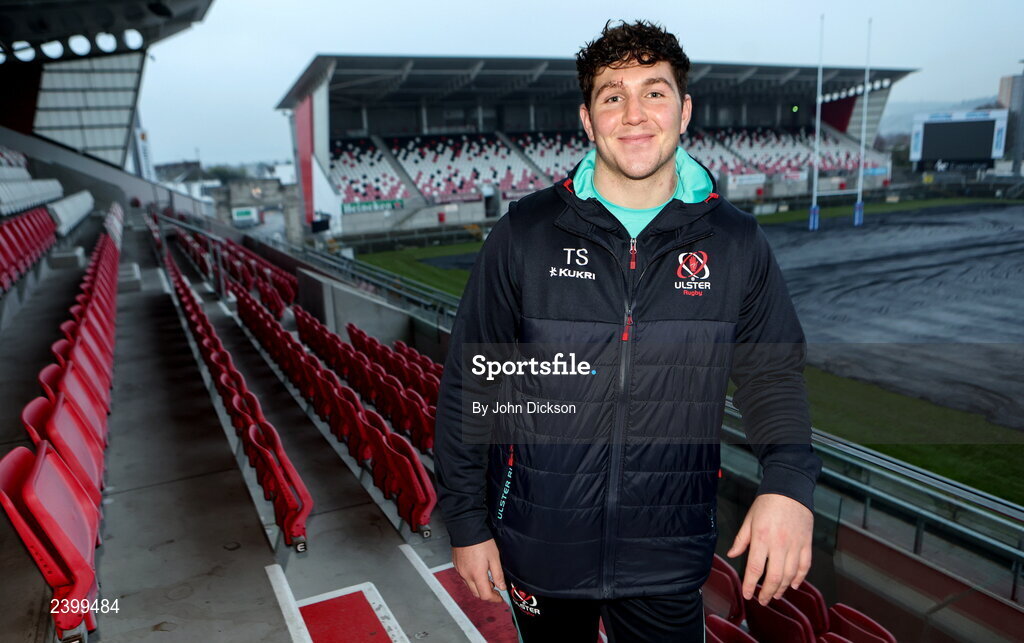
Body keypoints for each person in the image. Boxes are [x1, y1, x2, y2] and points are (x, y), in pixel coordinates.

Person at [433, 19, 822, 642]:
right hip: (541, 546)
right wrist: (468, 523)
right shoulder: (524, 234)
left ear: (684, 109)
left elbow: (771, 377)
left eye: (654, 92)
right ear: (588, 119)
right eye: (613, 95)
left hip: (668, 555)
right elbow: (468, 390)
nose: (634, 113)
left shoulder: (737, 241)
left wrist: (789, 486)